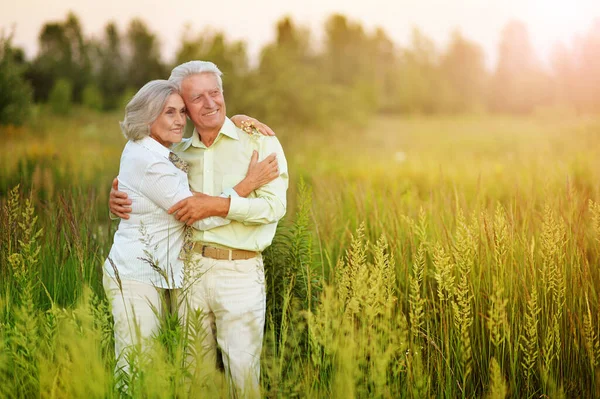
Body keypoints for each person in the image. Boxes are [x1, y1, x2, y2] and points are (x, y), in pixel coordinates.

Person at [110, 61, 289, 397]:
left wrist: (223, 204)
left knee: (243, 375)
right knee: (195, 376)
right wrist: (118, 195)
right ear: (186, 109)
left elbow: (274, 208)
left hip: (240, 270)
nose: (210, 103)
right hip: (188, 274)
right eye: (197, 98)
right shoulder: (174, 151)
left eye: (215, 93)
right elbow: (146, 182)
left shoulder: (260, 142)